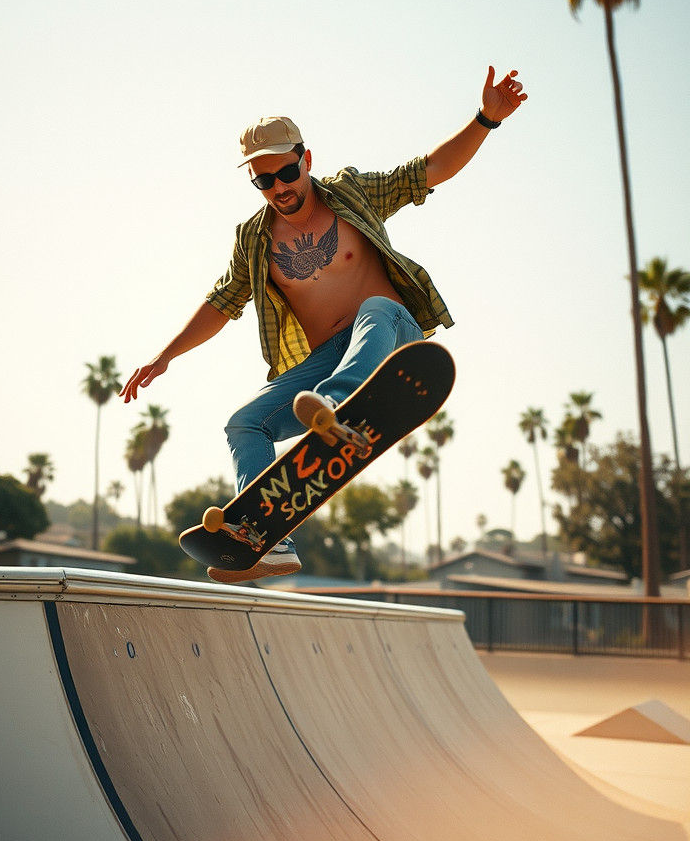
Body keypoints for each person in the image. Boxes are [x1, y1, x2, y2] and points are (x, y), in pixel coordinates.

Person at [121, 65, 527, 581]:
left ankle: (340, 408)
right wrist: (164, 356)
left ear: (306, 160)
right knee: (244, 423)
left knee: (373, 309)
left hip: (391, 336)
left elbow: (428, 170)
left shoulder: (352, 194)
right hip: (322, 363)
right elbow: (222, 302)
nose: (279, 188)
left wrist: (485, 119)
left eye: (287, 174)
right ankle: (266, 538)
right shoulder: (254, 240)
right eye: (263, 180)